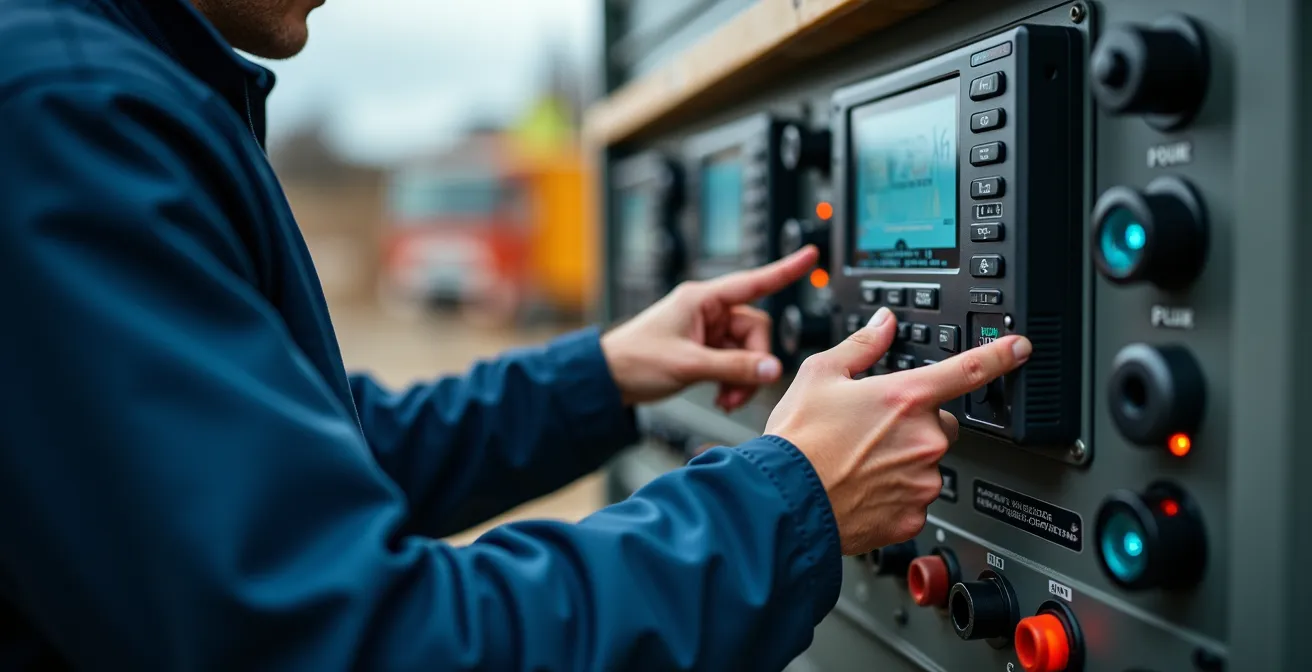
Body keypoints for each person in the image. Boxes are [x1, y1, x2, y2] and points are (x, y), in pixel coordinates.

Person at [0, 0, 1033, 669]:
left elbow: (305, 452)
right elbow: (353, 646)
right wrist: (788, 504)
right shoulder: (65, 108)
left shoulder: (88, 85)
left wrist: (600, 374)